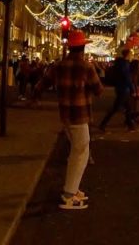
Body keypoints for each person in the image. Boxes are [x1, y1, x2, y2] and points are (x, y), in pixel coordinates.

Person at [32, 30, 103, 210]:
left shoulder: (58, 65)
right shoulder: (86, 67)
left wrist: (36, 97)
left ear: (70, 48)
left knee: (77, 151)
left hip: (65, 115)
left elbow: (41, 84)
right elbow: (98, 90)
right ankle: (69, 194)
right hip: (80, 114)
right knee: (81, 153)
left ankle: (72, 188)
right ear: (83, 48)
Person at [99, 49, 135, 132]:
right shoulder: (124, 64)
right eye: (131, 54)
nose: (132, 56)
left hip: (120, 87)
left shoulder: (120, 63)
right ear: (128, 55)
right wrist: (132, 88)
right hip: (123, 88)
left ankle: (130, 125)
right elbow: (127, 77)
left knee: (128, 107)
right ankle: (103, 124)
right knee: (116, 108)